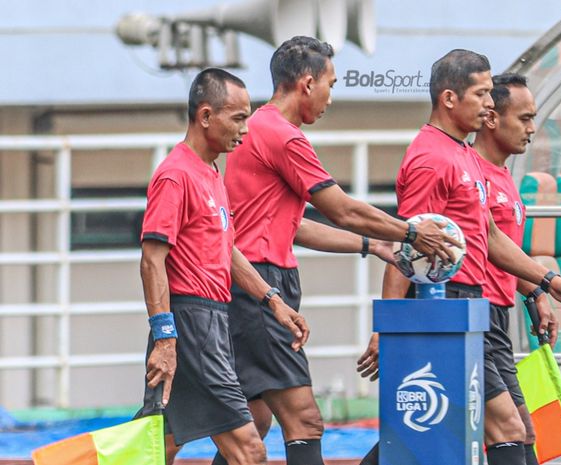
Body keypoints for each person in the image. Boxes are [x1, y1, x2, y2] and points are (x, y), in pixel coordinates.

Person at [210, 36, 459, 465]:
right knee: (304, 423)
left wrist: (374, 244)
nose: (330, 97)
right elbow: (340, 209)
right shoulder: (286, 138)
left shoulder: (257, 129)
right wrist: (412, 234)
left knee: (253, 425)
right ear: (307, 84)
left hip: (246, 285)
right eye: (331, 84)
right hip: (261, 288)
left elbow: (294, 226)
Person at [356, 50, 561, 465]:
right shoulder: (431, 157)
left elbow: (490, 236)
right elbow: (408, 251)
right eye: (482, 93)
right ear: (450, 98)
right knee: (502, 429)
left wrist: (547, 282)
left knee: (498, 429)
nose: (489, 103)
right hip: (445, 306)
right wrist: (387, 326)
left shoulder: (463, 154)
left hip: (473, 308)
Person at [137, 68, 309, 465]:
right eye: (238, 117)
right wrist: (166, 338)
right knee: (249, 450)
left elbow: (225, 250)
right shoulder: (175, 175)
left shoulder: (212, 173)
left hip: (213, 321)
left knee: (158, 446)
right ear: (205, 116)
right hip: (190, 324)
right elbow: (152, 259)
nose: (246, 130)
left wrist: (273, 300)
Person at [470, 72, 554, 465]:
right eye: (524, 118)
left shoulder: (503, 174)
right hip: (472, 313)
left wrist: (534, 292)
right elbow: (417, 238)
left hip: (498, 318)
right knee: (514, 431)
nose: (532, 129)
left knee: (523, 431)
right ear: (491, 118)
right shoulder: (470, 171)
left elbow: (503, 251)